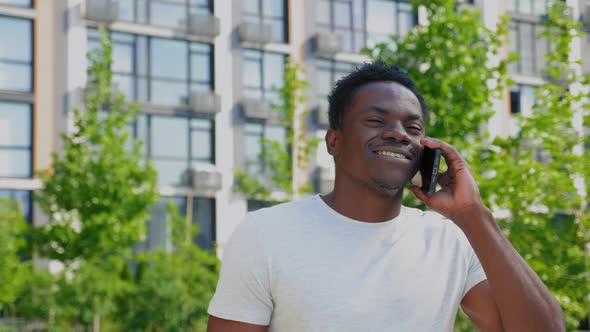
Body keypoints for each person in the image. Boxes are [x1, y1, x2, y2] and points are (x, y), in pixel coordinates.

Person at [207, 62, 564, 332]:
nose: (398, 134)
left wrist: (473, 214)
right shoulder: (266, 232)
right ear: (334, 140)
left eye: (413, 128)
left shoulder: (449, 239)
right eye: (376, 121)